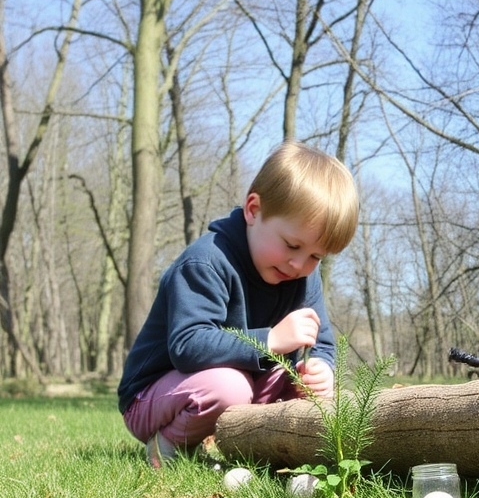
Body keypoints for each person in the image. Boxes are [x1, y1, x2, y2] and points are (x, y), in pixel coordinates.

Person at [118, 140, 359, 468]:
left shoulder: (303, 277)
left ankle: (277, 455)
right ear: (253, 210)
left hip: (245, 387)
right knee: (228, 386)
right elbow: (188, 346)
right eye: (292, 245)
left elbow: (323, 341)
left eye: (316, 256)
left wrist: (321, 369)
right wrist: (270, 340)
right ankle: (167, 448)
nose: (299, 264)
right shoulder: (206, 263)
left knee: (317, 392)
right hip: (155, 397)